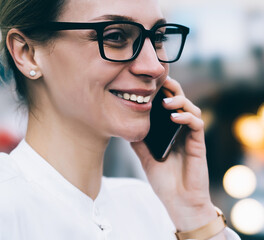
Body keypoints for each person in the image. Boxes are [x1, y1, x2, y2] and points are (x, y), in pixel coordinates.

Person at [0, 0, 240, 239]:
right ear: (27, 53)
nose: (154, 67)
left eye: (158, 38)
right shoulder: (7, 201)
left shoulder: (152, 209)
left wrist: (193, 212)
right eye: (115, 36)